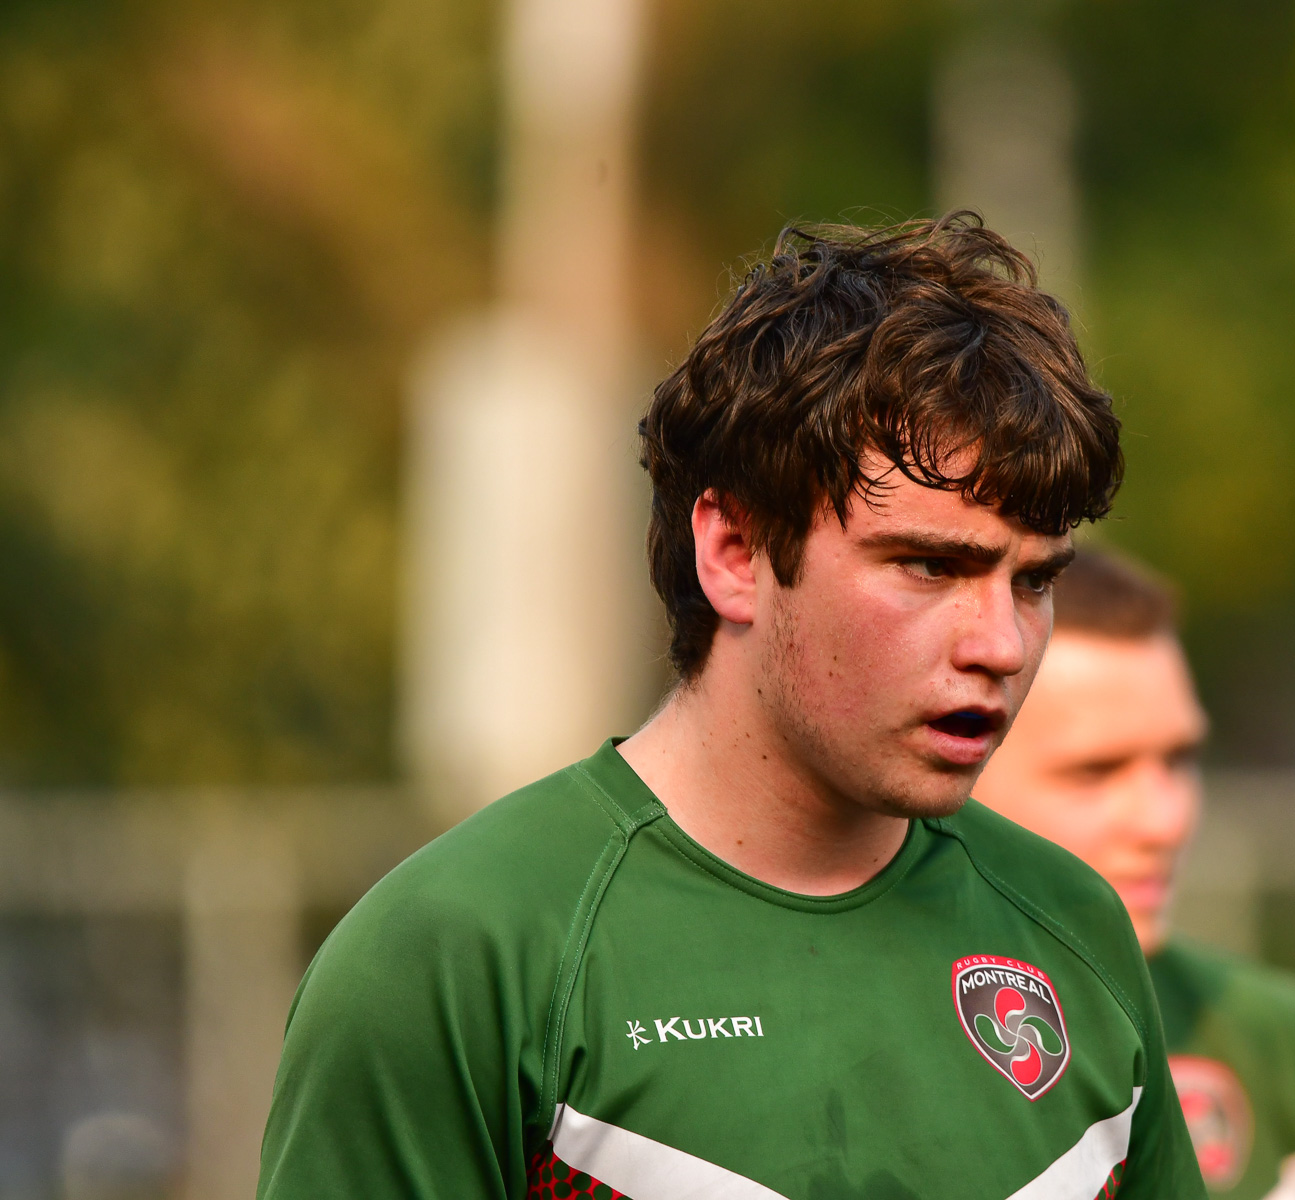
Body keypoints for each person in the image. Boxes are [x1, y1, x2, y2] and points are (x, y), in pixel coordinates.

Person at [257, 217, 1207, 1199]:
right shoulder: (455, 958)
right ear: (736, 552)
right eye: (930, 565)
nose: (1001, 643)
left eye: (1034, 582)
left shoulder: (1072, 930)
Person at [977, 548, 1295, 1200]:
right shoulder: (857, 1031)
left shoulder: (1266, 1035)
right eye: (1095, 772)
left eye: (1179, 760)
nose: (1167, 820)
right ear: (963, 773)